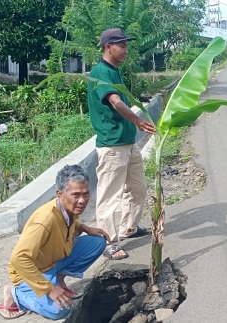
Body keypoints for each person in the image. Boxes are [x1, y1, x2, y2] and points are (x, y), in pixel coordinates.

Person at [0, 165, 109, 320]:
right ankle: (15, 293)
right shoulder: (44, 220)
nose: (82, 200)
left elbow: (69, 225)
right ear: (60, 194)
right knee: (59, 310)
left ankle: (58, 279)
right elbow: (18, 259)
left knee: (97, 242)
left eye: (86, 194)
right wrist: (49, 289)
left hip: (52, 262)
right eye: (76, 195)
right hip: (31, 272)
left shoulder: (69, 209)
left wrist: (85, 227)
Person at [88, 28, 157, 260]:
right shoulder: (100, 72)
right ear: (108, 47)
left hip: (128, 143)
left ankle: (129, 227)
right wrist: (138, 120)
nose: (126, 50)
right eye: (122, 46)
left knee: (138, 189)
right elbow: (116, 102)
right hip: (112, 145)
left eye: (126, 45)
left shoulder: (115, 72)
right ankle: (107, 243)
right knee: (109, 197)